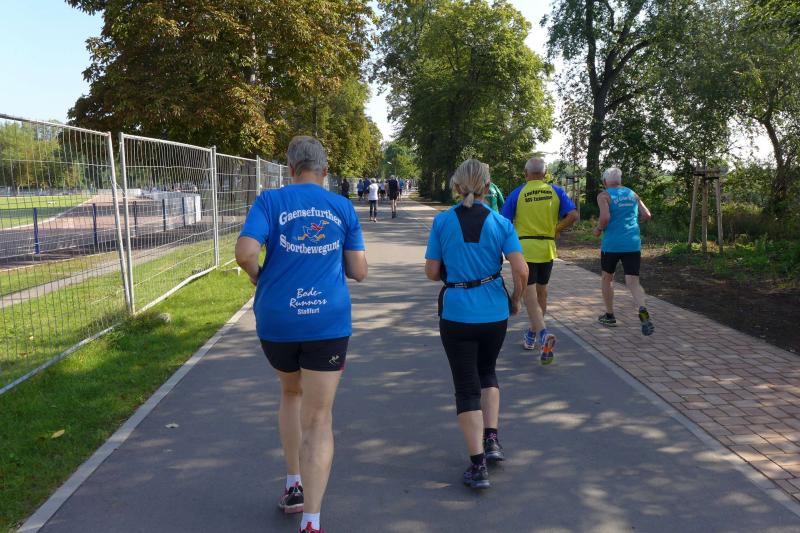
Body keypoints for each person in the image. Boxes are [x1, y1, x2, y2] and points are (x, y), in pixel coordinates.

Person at [235, 136, 368, 533]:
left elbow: (245, 253)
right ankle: (311, 521)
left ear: (291, 169)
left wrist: (260, 277)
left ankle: (293, 484)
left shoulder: (269, 201)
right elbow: (359, 271)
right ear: (325, 172)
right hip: (327, 322)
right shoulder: (342, 207)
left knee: (291, 393)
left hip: (278, 321)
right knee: (319, 417)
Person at [425, 159, 528, 490]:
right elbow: (521, 269)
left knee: (466, 387)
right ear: (487, 187)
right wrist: (515, 299)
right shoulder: (501, 223)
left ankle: (477, 465)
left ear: (457, 187)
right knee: (487, 372)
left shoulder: (442, 221)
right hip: (494, 312)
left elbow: (431, 271)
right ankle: (492, 439)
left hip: (456, 313)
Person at [501, 157, 579, 364]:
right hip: (547, 249)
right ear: (545, 174)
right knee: (542, 292)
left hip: (525, 249)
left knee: (530, 295)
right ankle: (532, 333)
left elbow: (504, 222)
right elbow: (573, 215)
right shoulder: (556, 191)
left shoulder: (518, 192)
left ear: (526, 173)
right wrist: (556, 229)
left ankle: (542, 333)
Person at [592, 167, 655, 335]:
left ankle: (610, 316)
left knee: (607, 278)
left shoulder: (604, 195)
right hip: (632, 244)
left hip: (612, 244)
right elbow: (647, 215)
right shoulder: (632, 194)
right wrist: (633, 223)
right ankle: (642, 310)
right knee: (633, 281)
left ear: (605, 181)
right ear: (620, 180)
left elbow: (605, 217)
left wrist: (598, 229)